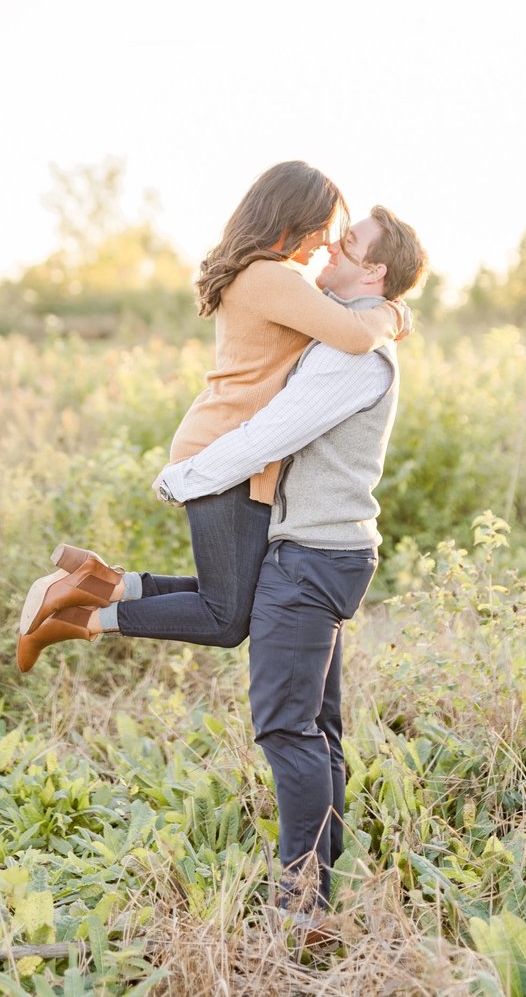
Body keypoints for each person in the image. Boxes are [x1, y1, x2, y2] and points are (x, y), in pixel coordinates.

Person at [149, 207, 427, 928]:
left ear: (374, 271)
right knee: (317, 730)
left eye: (349, 244)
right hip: (319, 552)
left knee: (287, 731)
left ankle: (299, 907)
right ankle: (318, 892)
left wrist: (187, 477)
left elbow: (275, 429)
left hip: (311, 558)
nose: (330, 249)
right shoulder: (351, 332)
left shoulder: (351, 354)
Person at [17, 162, 408, 671]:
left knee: (232, 596)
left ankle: (101, 585)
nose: (324, 242)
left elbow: (343, 321)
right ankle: (82, 619)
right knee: (225, 617)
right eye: (322, 226)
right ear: (294, 216)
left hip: (234, 448)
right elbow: (356, 335)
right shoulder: (270, 276)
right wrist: (395, 312)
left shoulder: (268, 275)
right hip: (227, 450)